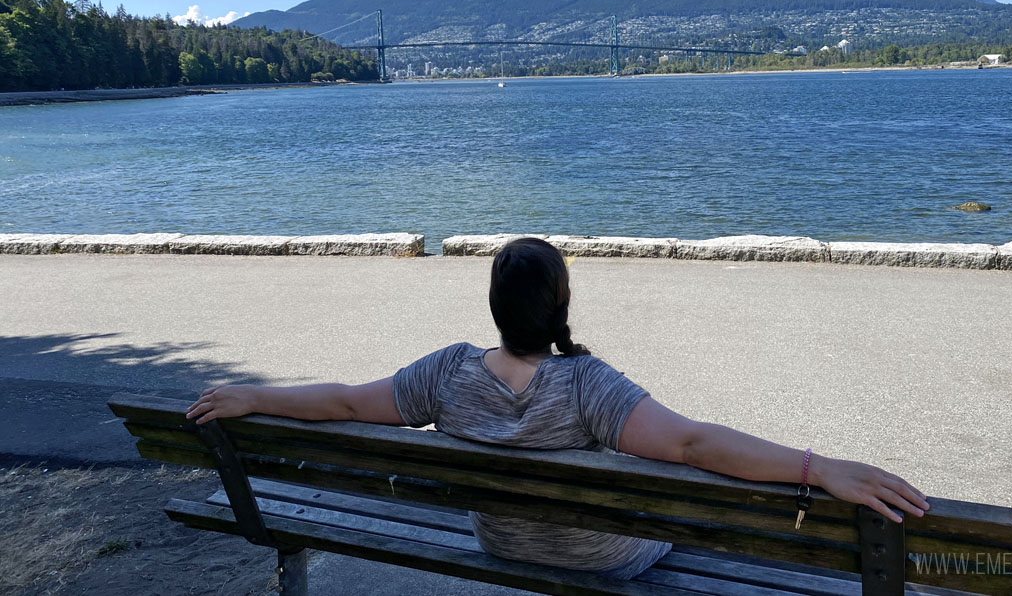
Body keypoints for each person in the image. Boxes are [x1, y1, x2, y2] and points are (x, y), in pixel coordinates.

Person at [188, 237, 928, 580]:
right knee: (694, 521)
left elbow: (348, 401)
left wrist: (255, 396)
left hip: (500, 544)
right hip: (606, 559)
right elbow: (696, 446)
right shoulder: (588, 386)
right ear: (559, 305)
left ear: (496, 306)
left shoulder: (445, 374)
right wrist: (817, 466)